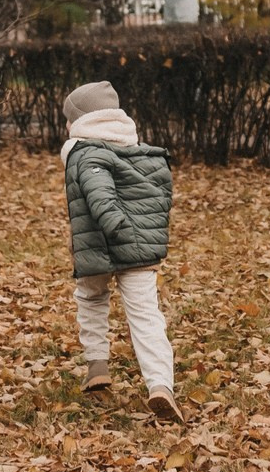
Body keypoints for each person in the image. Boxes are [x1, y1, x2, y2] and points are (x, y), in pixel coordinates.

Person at [61, 81, 185, 423]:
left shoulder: (84, 152)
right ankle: (160, 385)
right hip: (141, 251)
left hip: (103, 244)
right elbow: (161, 195)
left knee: (91, 299)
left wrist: (115, 225)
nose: (67, 126)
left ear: (83, 120)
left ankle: (97, 365)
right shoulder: (142, 153)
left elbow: (99, 194)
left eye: (69, 119)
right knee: (146, 316)